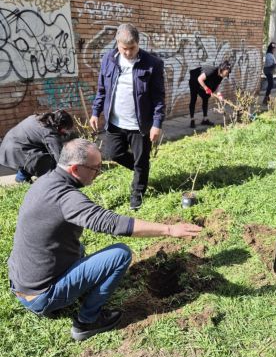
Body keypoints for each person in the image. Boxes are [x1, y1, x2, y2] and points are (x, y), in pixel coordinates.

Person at [8, 138, 202, 341]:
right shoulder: (67, 198)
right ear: (75, 168)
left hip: (22, 283)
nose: (99, 173)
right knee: (120, 254)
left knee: (77, 247)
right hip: (40, 296)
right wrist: (170, 229)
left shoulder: (46, 181)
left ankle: (70, 293)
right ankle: (87, 321)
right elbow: (113, 223)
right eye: (95, 168)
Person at [89, 23, 165, 211]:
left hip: (140, 125)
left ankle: (137, 194)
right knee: (114, 153)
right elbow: (101, 89)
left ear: (138, 44)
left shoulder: (152, 64)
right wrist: (95, 112)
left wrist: (157, 124)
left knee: (141, 159)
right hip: (115, 122)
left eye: (132, 48)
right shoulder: (109, 59)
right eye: (125, 49)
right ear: (117, 44)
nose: (129, 53)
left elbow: (158, 97)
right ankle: (142, 170)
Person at [0, 110, 74, 183]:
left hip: (8, 147)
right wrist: (71, 173)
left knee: (41, 152)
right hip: (16, 151)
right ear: (60, 125)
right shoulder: (49, 132)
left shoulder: (37, 118)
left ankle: (21, 178)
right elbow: (59, 157)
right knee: (49, 162)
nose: (66, 132)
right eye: (66, 129)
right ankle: (50, 181)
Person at [188, 61, 232, 128]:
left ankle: (205, 119)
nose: (226, 75)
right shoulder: (211, 71)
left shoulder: (221, 76)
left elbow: (217, 86)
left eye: (227, 74)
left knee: (205, 98)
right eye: (226, 73)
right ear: (222, 69)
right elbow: (199, 79)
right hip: (194, 81)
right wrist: (206, 88)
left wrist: (219, 95)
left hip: (203, 84)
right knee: (193, 99)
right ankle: (192, 120)